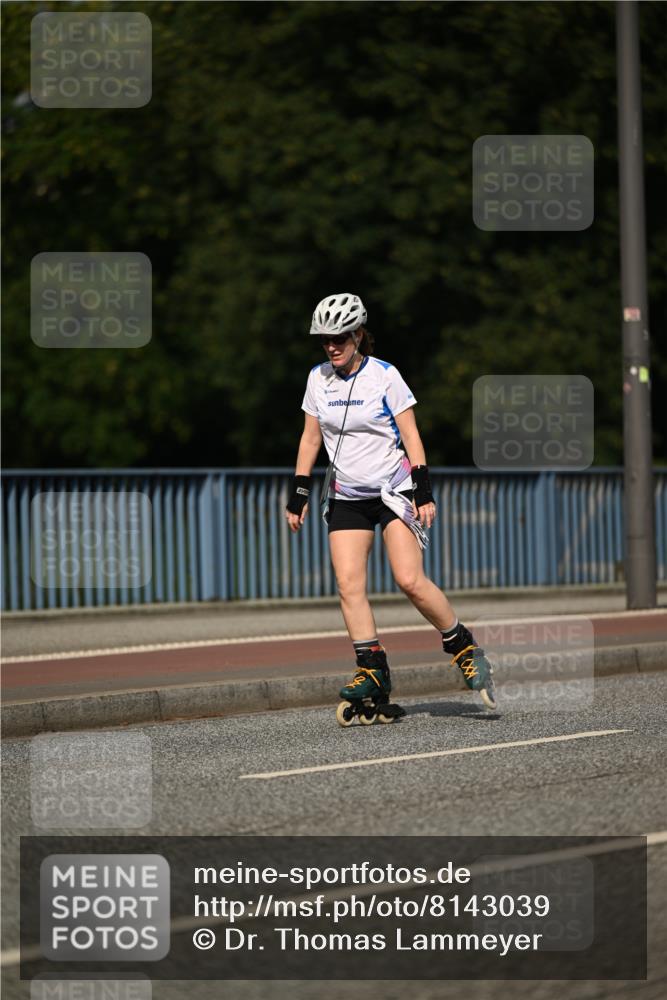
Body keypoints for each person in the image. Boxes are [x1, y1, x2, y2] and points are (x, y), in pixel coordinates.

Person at [285, 293, 496, 723]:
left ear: (358, 335)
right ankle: (372, 671)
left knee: (409, 579)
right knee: (348, 586)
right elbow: (310, 439)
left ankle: (463, 647)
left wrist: (424, 491)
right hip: (346, 495)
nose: (332, 346)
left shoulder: (386, 376)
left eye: (340, 337)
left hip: (392, 492)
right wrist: (299, 493)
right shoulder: (317, 379)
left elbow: (412, 436)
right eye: (325, 339)